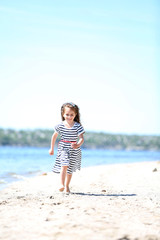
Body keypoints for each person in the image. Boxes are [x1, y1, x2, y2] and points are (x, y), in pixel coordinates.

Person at [49, 102, 85, 194]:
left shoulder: (78, 126)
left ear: (75, 114)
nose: (69, 116)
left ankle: (67, 186)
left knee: (69, 169)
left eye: (71, 115)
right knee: (64, 165)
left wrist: (78, 144)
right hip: (63, 148)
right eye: (67, 114)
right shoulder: (60, 125)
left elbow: (81, 138)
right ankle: (61, 184)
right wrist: (52, 148)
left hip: (74, 149)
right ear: (63, 114)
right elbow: (54, 137)